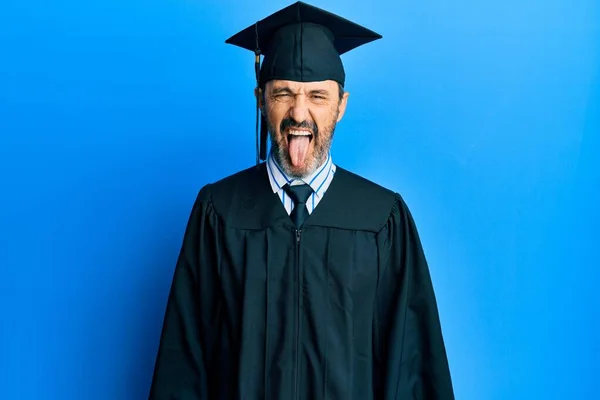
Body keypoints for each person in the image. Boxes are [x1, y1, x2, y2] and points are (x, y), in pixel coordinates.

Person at [148, 2, 455, 399]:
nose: (299, 112)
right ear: (261, 99)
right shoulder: (219, 212)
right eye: (284, 93)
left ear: (341, 106)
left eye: (317, 96)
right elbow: (183, 364)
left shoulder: (382, 219)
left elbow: (413, 367)